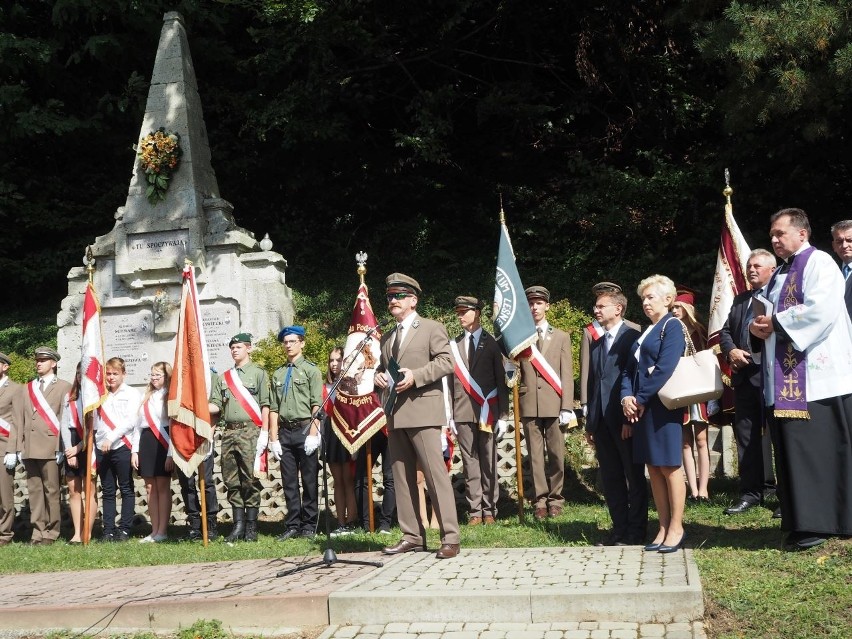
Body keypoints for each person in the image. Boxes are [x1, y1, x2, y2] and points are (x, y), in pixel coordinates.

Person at [750, 208, 852, 550]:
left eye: (780, 233)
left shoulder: (819, 263)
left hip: (818, 378)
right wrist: (758, 326)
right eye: (772, 235)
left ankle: (823, 522)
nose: (775, 240)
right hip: (787, 379)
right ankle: (799, 519)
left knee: (815, 451)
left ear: (802, 234)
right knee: (792, 449)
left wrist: (776, 324)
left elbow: (820, 309)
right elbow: (766, 312)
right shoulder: (780, 272)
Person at [374, 273, 460, 559]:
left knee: (435, 476)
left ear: (413, 300)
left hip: (423, 411)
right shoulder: (387, 337)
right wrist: (378, 379)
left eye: (398, 296)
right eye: (389, 297)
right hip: (395, 414)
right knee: (401, 477)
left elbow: (447, 362)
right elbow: (384, 369)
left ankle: (450, 536)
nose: (392, 301)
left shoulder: (432, 328)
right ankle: (412, 535)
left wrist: (417, 376)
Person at [621, 275, 687, 553]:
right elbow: (628, 370)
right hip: (642, 408)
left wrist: (642, 398)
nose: (645, 303)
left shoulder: (673, 327)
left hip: (662, 407)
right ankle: (661, 526)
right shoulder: (647, 331)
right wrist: (626, 397)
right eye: (643, 299)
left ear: (668, 299)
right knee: (654, 468)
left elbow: (666, 367)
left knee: (670, 467)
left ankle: (676, 526)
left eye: (651, 297)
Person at [584, 285, 647, 545]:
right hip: (601, 423)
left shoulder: (633, 337)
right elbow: (594, 385)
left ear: (618, 309)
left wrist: (627, 420)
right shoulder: (598, 342)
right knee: (611, 479)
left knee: (633, 477)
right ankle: (618, 529)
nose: (596, 310)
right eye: (596, 306)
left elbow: (634, 378)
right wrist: (591, 423)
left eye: (601, 306)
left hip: (624, 421)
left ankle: (636, 531)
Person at [720, 248, 778, 516]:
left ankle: (785, 496)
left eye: (757, 266)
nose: (751, 270)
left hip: (774, 378)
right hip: (744, 378)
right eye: (749, 266)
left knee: (781, 437)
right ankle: (750, 493)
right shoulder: (741, 299)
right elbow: (726, 331)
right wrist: (731, 350)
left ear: (772, 270)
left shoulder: (780, 299)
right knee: (746, 438)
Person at [448, 295, 509, 525]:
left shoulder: (491, 343)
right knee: (469, 461)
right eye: (459, 312)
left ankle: (489, 509)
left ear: (477, 313)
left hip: (487, 412)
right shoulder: (453, 345)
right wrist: (450, 415)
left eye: (465, 311)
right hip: (462, 411)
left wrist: (504, 414)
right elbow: (449, 383)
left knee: (488, 459)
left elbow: (501, 382)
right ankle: (475, 510)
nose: (461, 316)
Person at [518, 285, 574, 520]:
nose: (534, 307)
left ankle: (556, 498)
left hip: (554, 402)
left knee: (556, 453)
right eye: (531, 303)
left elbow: (567, 373)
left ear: (547, 306)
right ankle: (539, 499)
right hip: (529, 401)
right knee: (535, 455)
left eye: (539, 303)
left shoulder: (561, 336)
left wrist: (567, 406)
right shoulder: (520, 337)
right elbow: (512, 369)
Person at [211, 333, 271, 542]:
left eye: (239, 346)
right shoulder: (223, 378)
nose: (235, 350)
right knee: (231, 479)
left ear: (249, 348)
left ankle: (251, 527)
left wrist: (265, 433)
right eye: (232, 347)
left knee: (250, 478)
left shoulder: (259, 373)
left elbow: (266, 404)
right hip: (228, 432)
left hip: (250, 431)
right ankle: (238, 525)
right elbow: (216, 406)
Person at [269, 326, 323, 541]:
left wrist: (313, 434)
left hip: (304, 429)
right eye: (286, 342)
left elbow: (316, 405)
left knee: (309, 480)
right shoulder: (278, 373)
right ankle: (293, 524)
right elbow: (273, 407)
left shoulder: (311, 370)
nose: (288, 345)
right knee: (289, 481)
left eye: (293, 341)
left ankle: (309, 524)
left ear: (302, 343)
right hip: (285, 431)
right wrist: (273, 438)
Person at [16, 346, 70, 545]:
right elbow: (20, 418)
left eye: (43, 360)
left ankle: (51, 532)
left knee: (52, 491)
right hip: (30, 446)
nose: (39, 363)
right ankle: (37, 531)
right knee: (35, 491)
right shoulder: (27, 388)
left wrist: (61, 447)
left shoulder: (64, 386)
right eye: (37, 360)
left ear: (53, 363)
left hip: (50, 445)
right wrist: (20, 446)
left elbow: (64, 419)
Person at [671, 288, 711, 503]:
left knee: (701, 439)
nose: (675, 311)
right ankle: (692, 489)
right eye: (673, 307)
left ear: (687, 308)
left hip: (697, 390)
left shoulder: (700, 331)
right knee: (685, 442)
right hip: (679, 390)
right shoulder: (669, 331)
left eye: (678, 307)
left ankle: (704, 488)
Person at [96, 357, 141, 542]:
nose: (111, 377)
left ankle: (124, 529)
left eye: (115, 373)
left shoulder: (132, 393)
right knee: (107, 490)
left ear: (124, 374)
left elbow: (131, 420)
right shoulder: (99, 394)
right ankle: (108, 530)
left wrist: (111, 437)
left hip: (122, 445)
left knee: (126, 488)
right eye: (108, 373)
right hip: (101, 447)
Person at [132, 362, 174, 543]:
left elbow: (174, 426)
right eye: (153, 375)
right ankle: (154, 530)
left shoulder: (170, 396)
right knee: (149, 487)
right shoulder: (146, 396)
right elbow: (137, 426)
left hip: (163, 442)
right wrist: (135, 450)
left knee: (162, 487)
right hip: (146, 441)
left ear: (167, 376)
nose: (154, 378)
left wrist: (171, 453)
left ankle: (162, 531)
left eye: (158, 375)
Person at [322, 347, 358, 536]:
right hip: (331, 432)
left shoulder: (350, 383)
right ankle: (341, 522)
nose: (334, 364)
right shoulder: (326, 385)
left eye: (338, 360)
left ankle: (352, 521)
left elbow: (354, 412)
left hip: (347, 430)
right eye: (331, 360)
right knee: (337, 481)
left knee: (348, 479)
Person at [58, 364, 95, 544]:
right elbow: (64, 425)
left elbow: (92, 429)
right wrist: (69, 450)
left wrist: (79, 448)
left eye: (84, 374)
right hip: (71, 442)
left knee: (89, 489)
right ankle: (77, 532)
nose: (81, 377)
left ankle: (88, 531)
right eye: (78, 374)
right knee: (74, 490)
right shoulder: (69, 397)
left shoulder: (93, 398)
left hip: (88, 443)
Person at [0, 352, 24, 545]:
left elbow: (17, 421)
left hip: (3, 446)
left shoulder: (16, 389)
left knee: (4, 494)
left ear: (5, 366)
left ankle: (4, 534)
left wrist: (12, 450)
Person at [354, 428, 396, 533]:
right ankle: (366, 524)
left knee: (390, 479)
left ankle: (385, 524)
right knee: (361, 478)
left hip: (389, 429)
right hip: (369, 429)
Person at [830, 219, 852, 320]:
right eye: (839, 241)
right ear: (834, 246)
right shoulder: (830, 273)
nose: (844, 246)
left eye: (850, 240)